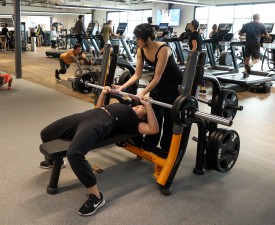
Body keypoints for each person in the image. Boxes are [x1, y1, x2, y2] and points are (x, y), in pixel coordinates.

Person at [39, 87, 159, 216]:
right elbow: (98, 107)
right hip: (88, 115)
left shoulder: (136, 124)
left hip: (100, 122)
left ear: (144, 118)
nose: (137, 107)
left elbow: (153, 129)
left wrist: (148, 106)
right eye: (138, 106)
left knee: (74, 154)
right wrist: (103, 93)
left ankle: (96, 197)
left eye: (141, 109)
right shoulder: (125, 106)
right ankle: (55, 161)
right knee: (46, 133)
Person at [113, 23, 182, 155]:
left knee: (169, 117)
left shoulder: (163, 50)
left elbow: (157, 77)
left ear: (148, 39)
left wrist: (142, 93)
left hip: (173, 84)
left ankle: (167, 149)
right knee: (153, 113)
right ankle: (150, 144)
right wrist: (122, 87)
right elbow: (137, 74)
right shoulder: (141, 50)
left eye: (138, 38)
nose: (136, 41)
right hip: (158, 84)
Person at [189, 19, 205, 96]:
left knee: (195, 73)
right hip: (200, 55)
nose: (189, 25)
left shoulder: (193, 34)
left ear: (192, 26)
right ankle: (203, 88)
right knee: (199, 72)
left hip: (196, 55)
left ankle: (194, 89)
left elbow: (194, 47)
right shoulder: (198, 33)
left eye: (190, 24)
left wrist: (190, 56)